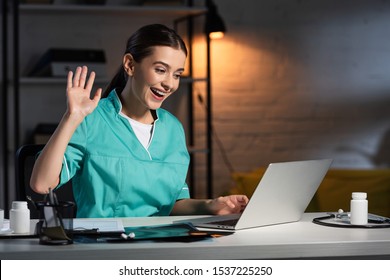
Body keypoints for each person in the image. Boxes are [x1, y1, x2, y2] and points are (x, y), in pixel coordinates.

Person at [30, 24, 248, 218]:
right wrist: (72, 118)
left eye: (177, 74)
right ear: (130, 65)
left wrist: (212, 205)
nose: (169, 84)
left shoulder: (173, 129)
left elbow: (171, 205)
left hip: (161, 242)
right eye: (161, 70)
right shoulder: (91, 119)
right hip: (105, 245)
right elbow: (41, 184)